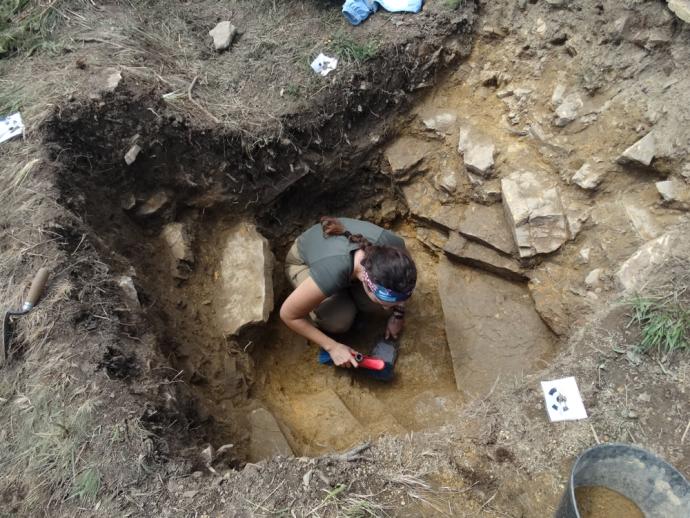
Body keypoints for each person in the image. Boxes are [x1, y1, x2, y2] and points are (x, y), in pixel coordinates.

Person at [280, 216, 417, 368]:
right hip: (304, 263)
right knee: (339, 321)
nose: (387, 308)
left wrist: (398, 314)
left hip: (345, 269)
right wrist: (333, 347)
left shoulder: (395, 249)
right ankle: (336, 303)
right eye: (382, 301)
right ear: (367, 281)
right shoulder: (331, 272)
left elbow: (401, 287)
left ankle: (355, 297)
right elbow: (288, 315)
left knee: (373, 307)